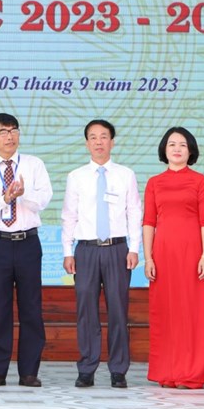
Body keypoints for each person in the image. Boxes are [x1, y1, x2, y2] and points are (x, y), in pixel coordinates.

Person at [0, 113, 53, 387]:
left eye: (14, 130)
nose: (10, 136)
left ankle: (29, 372)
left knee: (31, 308)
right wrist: (4, 198)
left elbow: (44, 199)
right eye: (3, 132)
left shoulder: (34, 165)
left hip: (28, 243)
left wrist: (22, 195)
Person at [61, 119, 142, 388]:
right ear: (87, 143)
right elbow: (69, 215)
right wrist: (67, 251)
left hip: (117, 249)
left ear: (112, 142)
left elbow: (134, 212)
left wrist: (134, 248)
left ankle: (118, 370)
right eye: (93, 137)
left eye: (104, 136)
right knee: (86, 311)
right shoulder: (76, 176)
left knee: (118, 310)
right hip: (86, 250)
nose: (99, 142)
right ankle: (87, 368)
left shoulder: (125, 174)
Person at [142, 126, 204, 389]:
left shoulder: (200, 181)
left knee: (193, 312)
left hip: (192, 254)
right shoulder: (154, 183)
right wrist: (148, 258)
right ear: (164, 149)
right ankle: (168, 371)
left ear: (191, 151)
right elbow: (149, 222)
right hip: (163, 255)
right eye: (172, 144)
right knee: (166, 312)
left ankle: (194, 372)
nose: (177, 149)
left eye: (183, 145)